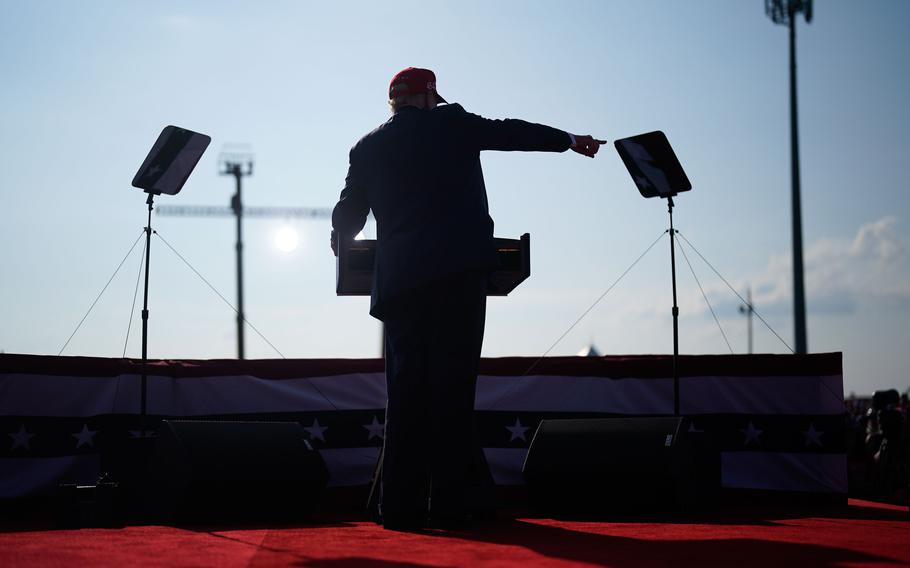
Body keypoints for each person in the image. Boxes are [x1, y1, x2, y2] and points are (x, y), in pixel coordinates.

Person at [331, 67, 605, 530]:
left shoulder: (367, 146)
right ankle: (453, 506)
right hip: (456, 277)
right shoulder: (452, 122)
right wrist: (569, 140)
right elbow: (511, 133)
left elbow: (347, 216)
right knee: (452, 392)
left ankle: (399, 508)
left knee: (405, 397)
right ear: (428, 96)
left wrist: (341, 242)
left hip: (399, 285)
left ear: (394, 102)